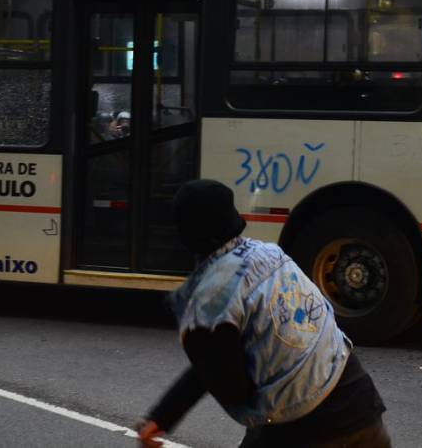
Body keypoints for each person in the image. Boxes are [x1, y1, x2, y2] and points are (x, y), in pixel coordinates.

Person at [135, 179, 390, 448]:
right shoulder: (270, 253)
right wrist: (164, 416)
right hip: (360, 405)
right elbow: (214, 363)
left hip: (305, 429)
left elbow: (230, 386)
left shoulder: (206, 304)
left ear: (185, 235)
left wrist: (162, 416)